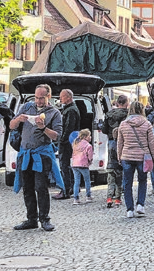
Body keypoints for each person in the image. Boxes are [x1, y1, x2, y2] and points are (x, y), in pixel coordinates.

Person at [10, 84, 63, 232]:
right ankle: (31, 219)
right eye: (36, 97)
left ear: (49, 96)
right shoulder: (27, 107)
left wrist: (43, 128)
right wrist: (19, 120)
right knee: (27, 187)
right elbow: (11, 125)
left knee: (41, 187)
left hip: (42, 154)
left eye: (42, 98)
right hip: (25, 153)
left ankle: (45, 219)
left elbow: (57, 135)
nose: (38, 101)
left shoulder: (54, 113)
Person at [117, 100, 154, 218]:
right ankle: (140, 205)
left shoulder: (123, 124)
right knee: (142, 180)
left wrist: (119, 156)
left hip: (127, 156)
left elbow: (120, 143)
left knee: (127, 183)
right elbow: (152, 143)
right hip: (142, 156)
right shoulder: (147, 124)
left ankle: (129, 209)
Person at [102, 95, 130, 207]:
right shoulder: (128, 115)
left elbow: (104, 129)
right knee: (123, 166)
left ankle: (111, 194)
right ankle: (120, 192)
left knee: (112, 164)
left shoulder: (109, 114)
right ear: (126, 103)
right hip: (125, 141)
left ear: (117, 103)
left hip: (112, 140)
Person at [54, 89, 80, 200]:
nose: (60, 99)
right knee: (68, 166)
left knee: (64, 165)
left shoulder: (71, 111)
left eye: (62, 97)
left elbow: (68, 127)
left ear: (69, 97)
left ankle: (65, 190)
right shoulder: (70, 109)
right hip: (70, 141)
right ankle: (72, 188)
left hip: (67, 142)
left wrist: (61, 140)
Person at [71, 129, 94, 204]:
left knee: (76, 181)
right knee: (87, 181)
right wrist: (90, 161)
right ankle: (88, 196)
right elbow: (90, 156)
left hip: (75, 164)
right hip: (83, 164)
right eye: (89, 136)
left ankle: (76, 198)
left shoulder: (75, 143)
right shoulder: (88, 146)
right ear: (85, 137)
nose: (90, 137)